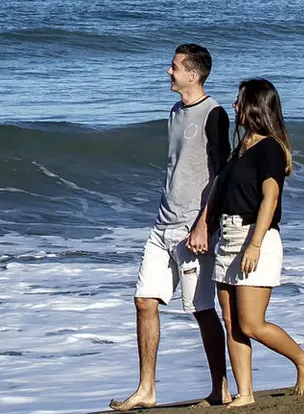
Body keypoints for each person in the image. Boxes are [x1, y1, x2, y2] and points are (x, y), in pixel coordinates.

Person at [111, 43, 233, 411]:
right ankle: (146, 388)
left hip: (192, 229)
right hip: (162, 224)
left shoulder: (214, 114)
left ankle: (220, 388)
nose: (169, 71)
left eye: (175, 66)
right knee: (144, 301)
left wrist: (203, 225)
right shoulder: (175, 110)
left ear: (192, 75)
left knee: (201, 309)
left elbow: (220, 175)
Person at [194, 77, 304, 406]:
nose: (234, 106)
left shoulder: (270, 149)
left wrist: (255, 244)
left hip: (254, 236)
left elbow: (270, 198)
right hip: (229, 238)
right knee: (232, 322)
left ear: (255, 107)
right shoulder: (240, 149)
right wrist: (206, 225)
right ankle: (245, 393)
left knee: (251, 323)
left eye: (239, 101)